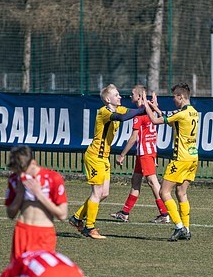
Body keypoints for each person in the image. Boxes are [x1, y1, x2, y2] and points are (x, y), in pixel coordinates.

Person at [4, 145, 68, 277]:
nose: (22, 173)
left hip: (44, 237)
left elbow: (62, 214)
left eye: (25, 169)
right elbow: (10, 213)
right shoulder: (16, 179)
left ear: (33, 162)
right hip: (22, 234)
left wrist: (40, 194)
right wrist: (20, 194)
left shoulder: (52, 178)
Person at [68, 84, 146, 239]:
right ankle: (90, 228)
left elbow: (132, 112)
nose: (120, 97)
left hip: (104, 158)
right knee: (96, 193)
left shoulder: (118, 108)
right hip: (95, 157)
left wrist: (148, 106)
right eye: (116, 95)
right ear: (108, 99)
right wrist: (142, 109)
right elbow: (122, 117)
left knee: (104, 193)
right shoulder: (104, 111)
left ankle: (77, 217)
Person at [144, 83, 199, 241]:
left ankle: (179, 227)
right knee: (181, 193)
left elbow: (155, 121)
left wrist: (146, 105)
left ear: (181, 97)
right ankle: (186, 229)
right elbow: (171, 121)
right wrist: (156, 108)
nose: (173, 99)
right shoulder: (193, 112)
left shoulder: (181, 114)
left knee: (164, 192)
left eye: (174, 96)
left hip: (180, 159)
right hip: (193, 158)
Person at [111, 84, 171, 224]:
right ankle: (125, 213)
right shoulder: (149, 109)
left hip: (145, 153)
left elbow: (133, 137)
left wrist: (122, 155)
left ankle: (164, 213)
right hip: (146, 152)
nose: (130, 95)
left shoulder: (139, 114)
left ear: (139, 96)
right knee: (136, 181)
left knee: (153, 182)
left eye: (132, 93)